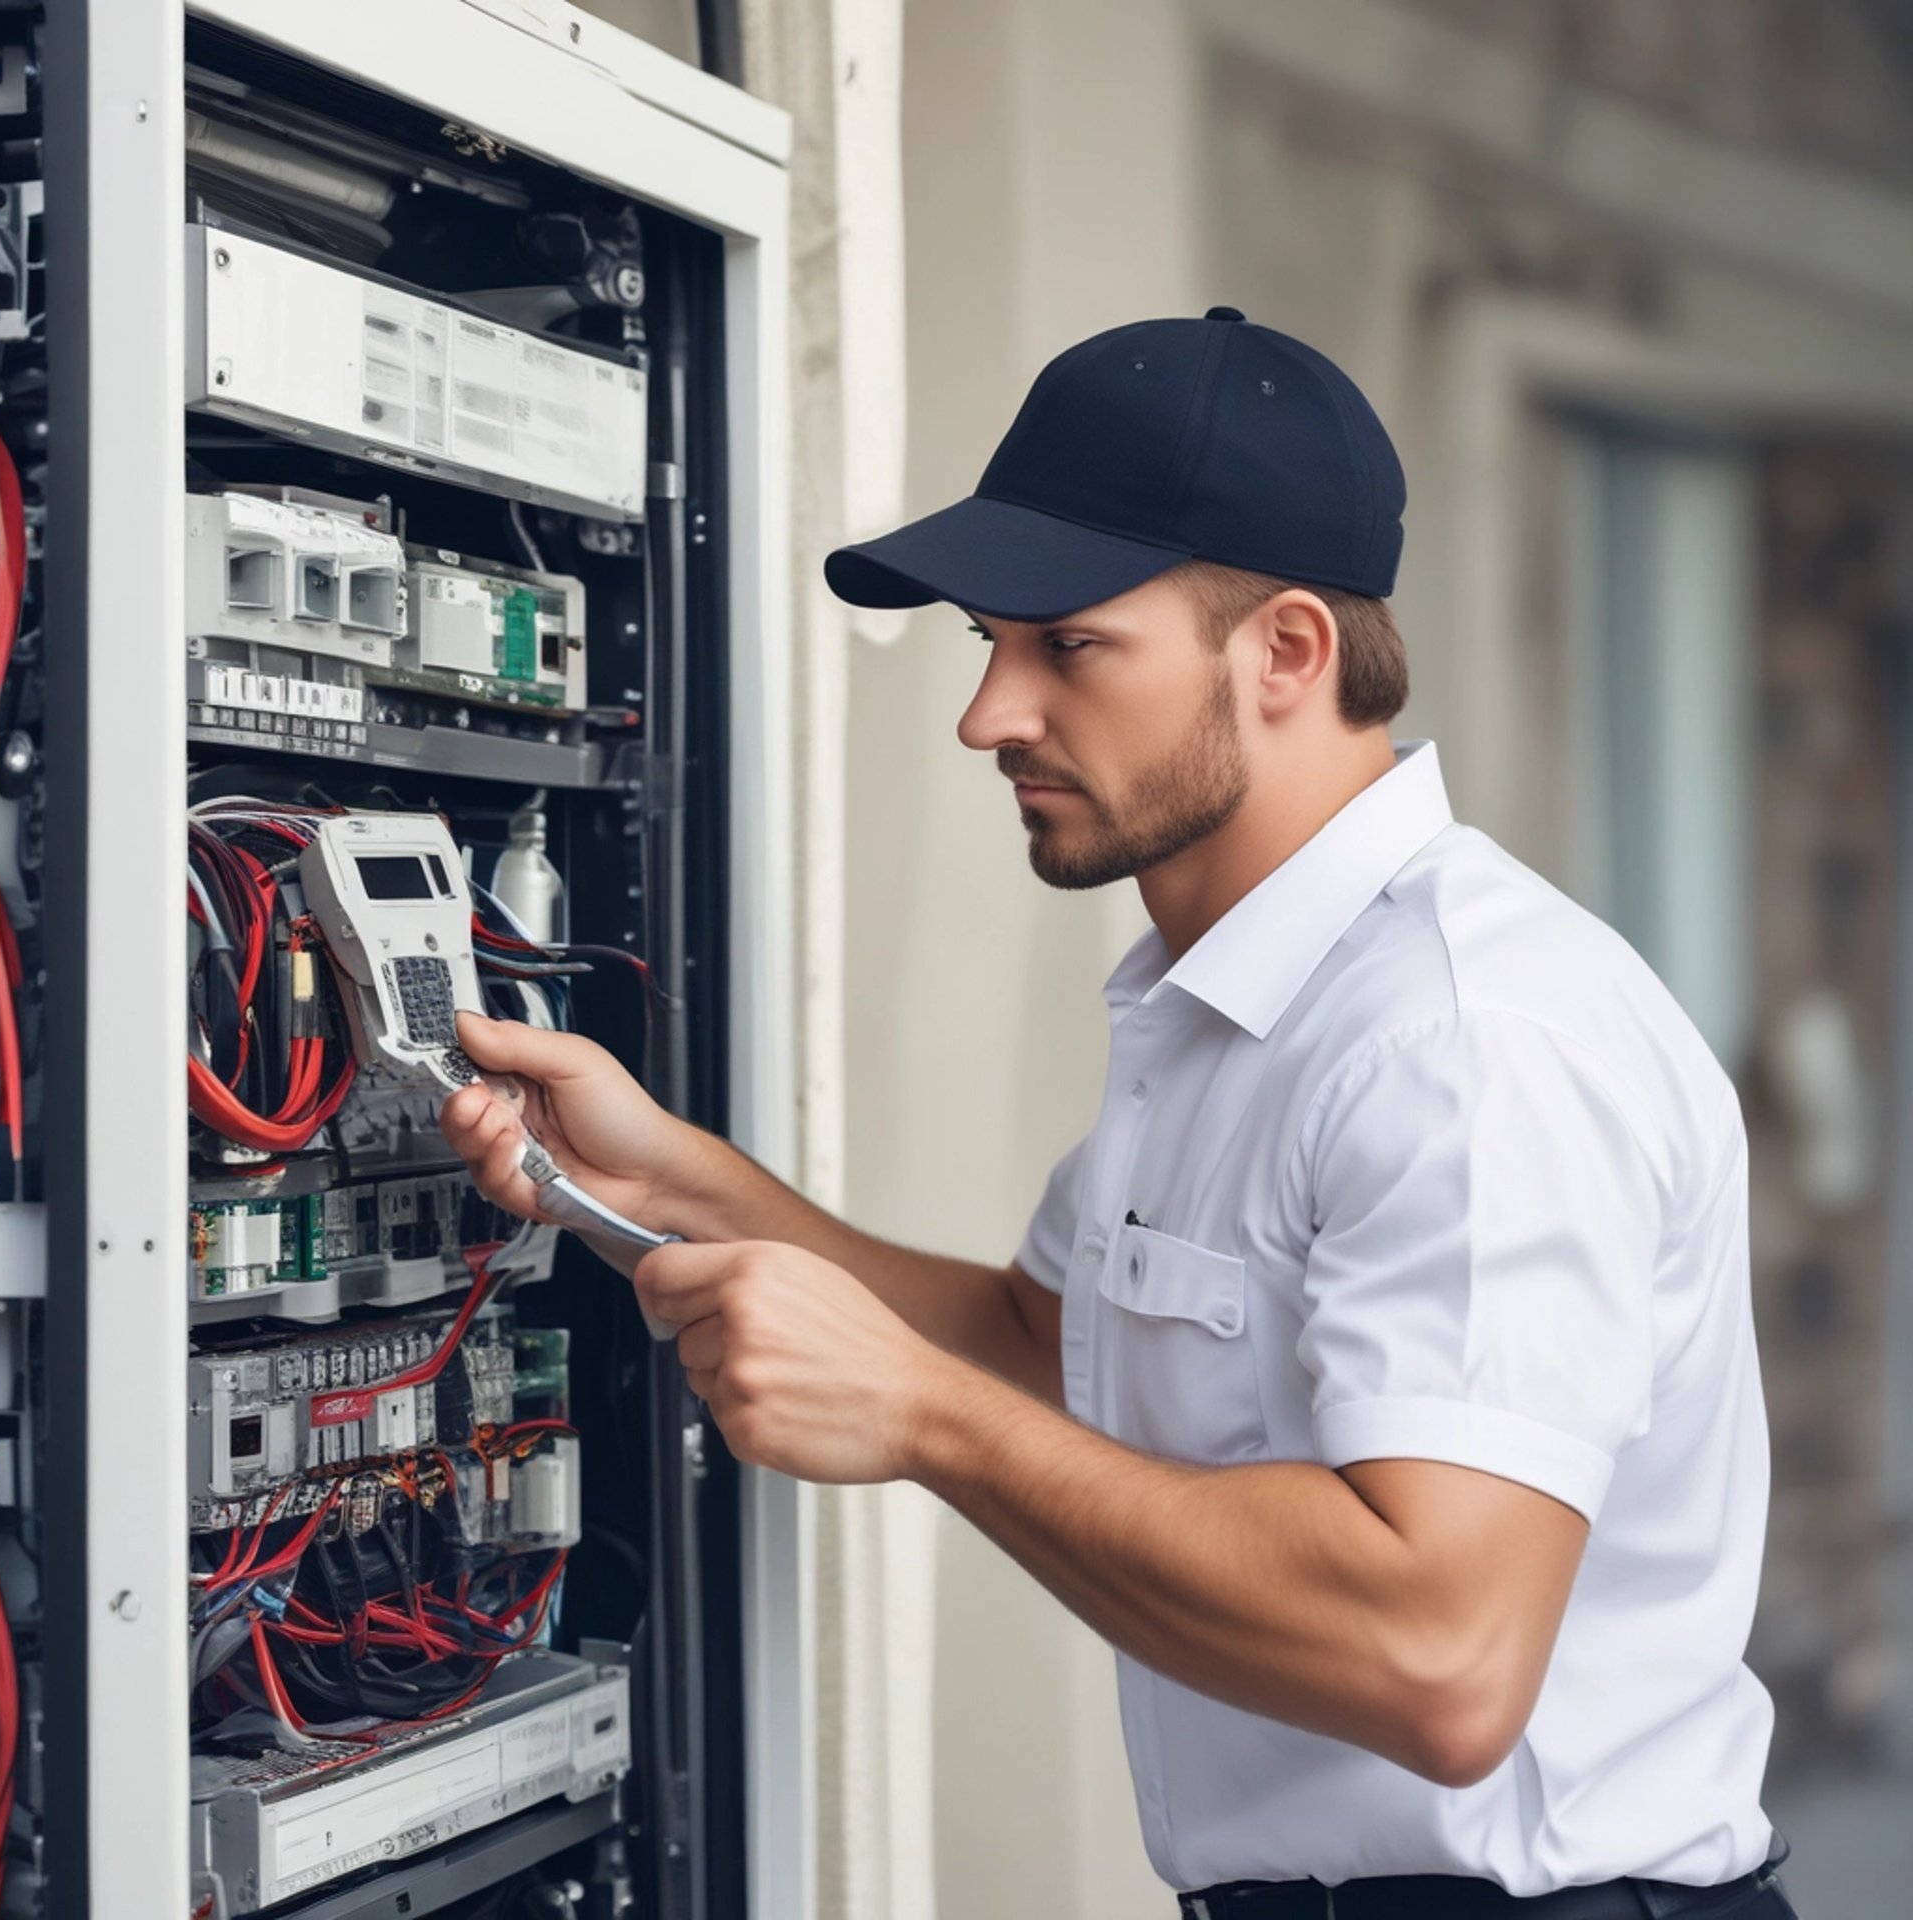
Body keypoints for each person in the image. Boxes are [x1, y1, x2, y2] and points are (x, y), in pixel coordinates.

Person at [442, 310, 1796, 1919]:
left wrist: (925, 1425)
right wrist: (679, 1182)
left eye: (1067, 647)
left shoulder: (1460, 1038)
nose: (988, 715)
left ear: (1288, 651)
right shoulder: (1229, 999)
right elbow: (1053, 1344)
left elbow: (1442, 1658)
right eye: (985, 645)